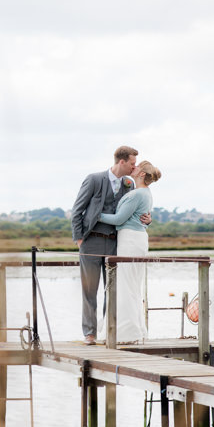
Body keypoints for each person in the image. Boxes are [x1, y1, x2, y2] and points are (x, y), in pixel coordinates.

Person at [71, 146, 151, 345]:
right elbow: (77, 210)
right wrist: (79, 239)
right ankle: (90, 333)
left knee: (113, 290)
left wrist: (147, 220)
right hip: (91, 242)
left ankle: (109, 330)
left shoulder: (129, 185)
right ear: (121, 162)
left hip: (116, 243)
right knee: (89, 289)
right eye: (132, 163)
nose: (134, 167)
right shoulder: (94, 179)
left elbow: (131, 213)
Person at [97, 160, 161, 343]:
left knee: (126, 286)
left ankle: (127, 332)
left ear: (141, 174)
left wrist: (95, 215)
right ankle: (134, 329)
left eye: (137, 167)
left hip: (130, 239)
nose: (134, 168)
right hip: (135, 238)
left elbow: (118, 219)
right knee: (131, 286)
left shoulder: (137, 194)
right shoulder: (144, 193)